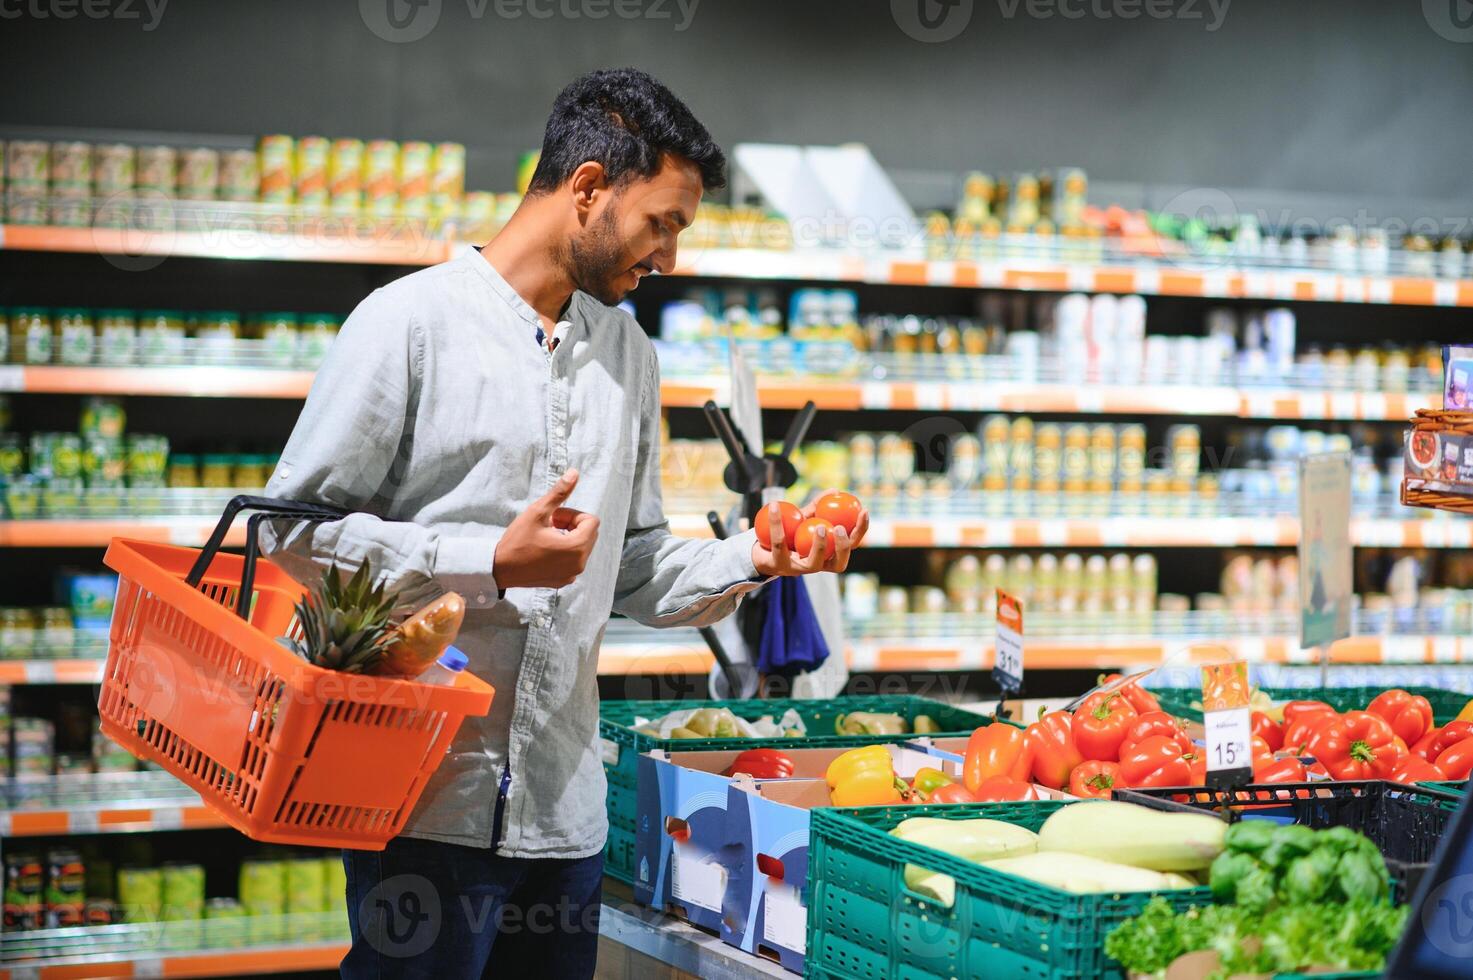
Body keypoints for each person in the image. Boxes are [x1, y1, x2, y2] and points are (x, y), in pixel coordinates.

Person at [262, 67, 868, 979]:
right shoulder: (406, 326)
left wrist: (755, 556)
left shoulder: (627, 351)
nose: (668, 256)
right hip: (425, 801)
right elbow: (289, 535)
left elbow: (633, 565)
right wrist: (488, 561)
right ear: (588, 188)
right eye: (661, 222)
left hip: (565, 815)